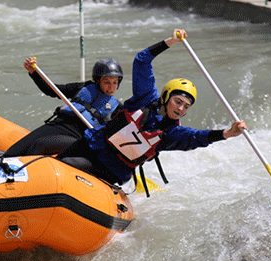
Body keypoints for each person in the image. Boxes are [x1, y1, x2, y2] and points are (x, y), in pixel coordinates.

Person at [56, 29, 247, 186]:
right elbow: (142, 60)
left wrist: (228, 133)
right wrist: (170, 41)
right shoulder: (146, 98)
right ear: (165, 97)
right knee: (56, 163)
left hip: (113, 170)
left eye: (186, 106)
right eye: (178, 101)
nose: (180, 109)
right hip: (92, 144)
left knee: (65, 165)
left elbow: (197, 138)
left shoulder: (172, 133)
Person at [2, 56, 123, 157]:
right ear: (98, 80)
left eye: (115, 83)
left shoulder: (117, 109)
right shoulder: (83, 88)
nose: (111, 87)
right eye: (107, 82)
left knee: (40, 145)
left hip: (77, 137)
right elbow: (52, 90)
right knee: (14, 152)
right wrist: (34, 73)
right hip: (58, 125)